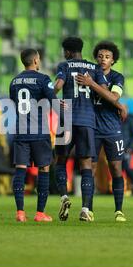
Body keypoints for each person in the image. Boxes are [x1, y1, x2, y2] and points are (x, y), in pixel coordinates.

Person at [53, 37, 108, 222]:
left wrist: (46, 97)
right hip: (86, 121)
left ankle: (64, 197)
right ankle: (85, 209)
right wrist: (91, 84)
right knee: (86, 165)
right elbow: (105, 92)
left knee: (60, 161)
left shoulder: (64, 65)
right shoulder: (95, 68)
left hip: (66, 118)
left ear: (67, 52)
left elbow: (58, 86)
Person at [76, 41, 128, 222]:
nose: (103, 60)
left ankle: (119, 210)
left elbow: (113, 97)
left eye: (107, 57)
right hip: (92, 127)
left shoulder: (117, 77)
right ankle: (88, 209)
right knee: (90, 168)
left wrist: (92, 84)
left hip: (112, 128)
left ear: (113, 60)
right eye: (100, 56)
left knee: (115, 168)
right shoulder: (88, 75)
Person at [9, 49, 59, 222]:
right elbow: (53, 101)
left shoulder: (14, 81)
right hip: (39, 131)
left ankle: (20, 213)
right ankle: (40, 213)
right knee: (44, 169)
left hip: (21, 131)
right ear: (36, 60)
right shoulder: (43, 79)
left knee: (20, 170)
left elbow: (14, 102)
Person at [121, 104, 133, 194]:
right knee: (120, 169)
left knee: (127, 167)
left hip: (127, 148)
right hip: (118, 147)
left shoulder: (131, 121)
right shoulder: (118, 119)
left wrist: (130, 147)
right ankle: (125, 188)